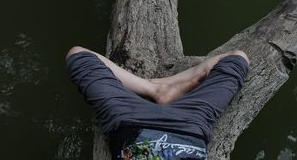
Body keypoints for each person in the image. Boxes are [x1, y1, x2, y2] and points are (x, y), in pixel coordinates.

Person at [66, 46, 250, 160]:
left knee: (79, 56)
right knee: (237, 59)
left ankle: (154, 88)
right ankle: (160, 89)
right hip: (190, 123)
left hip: (129, 120)